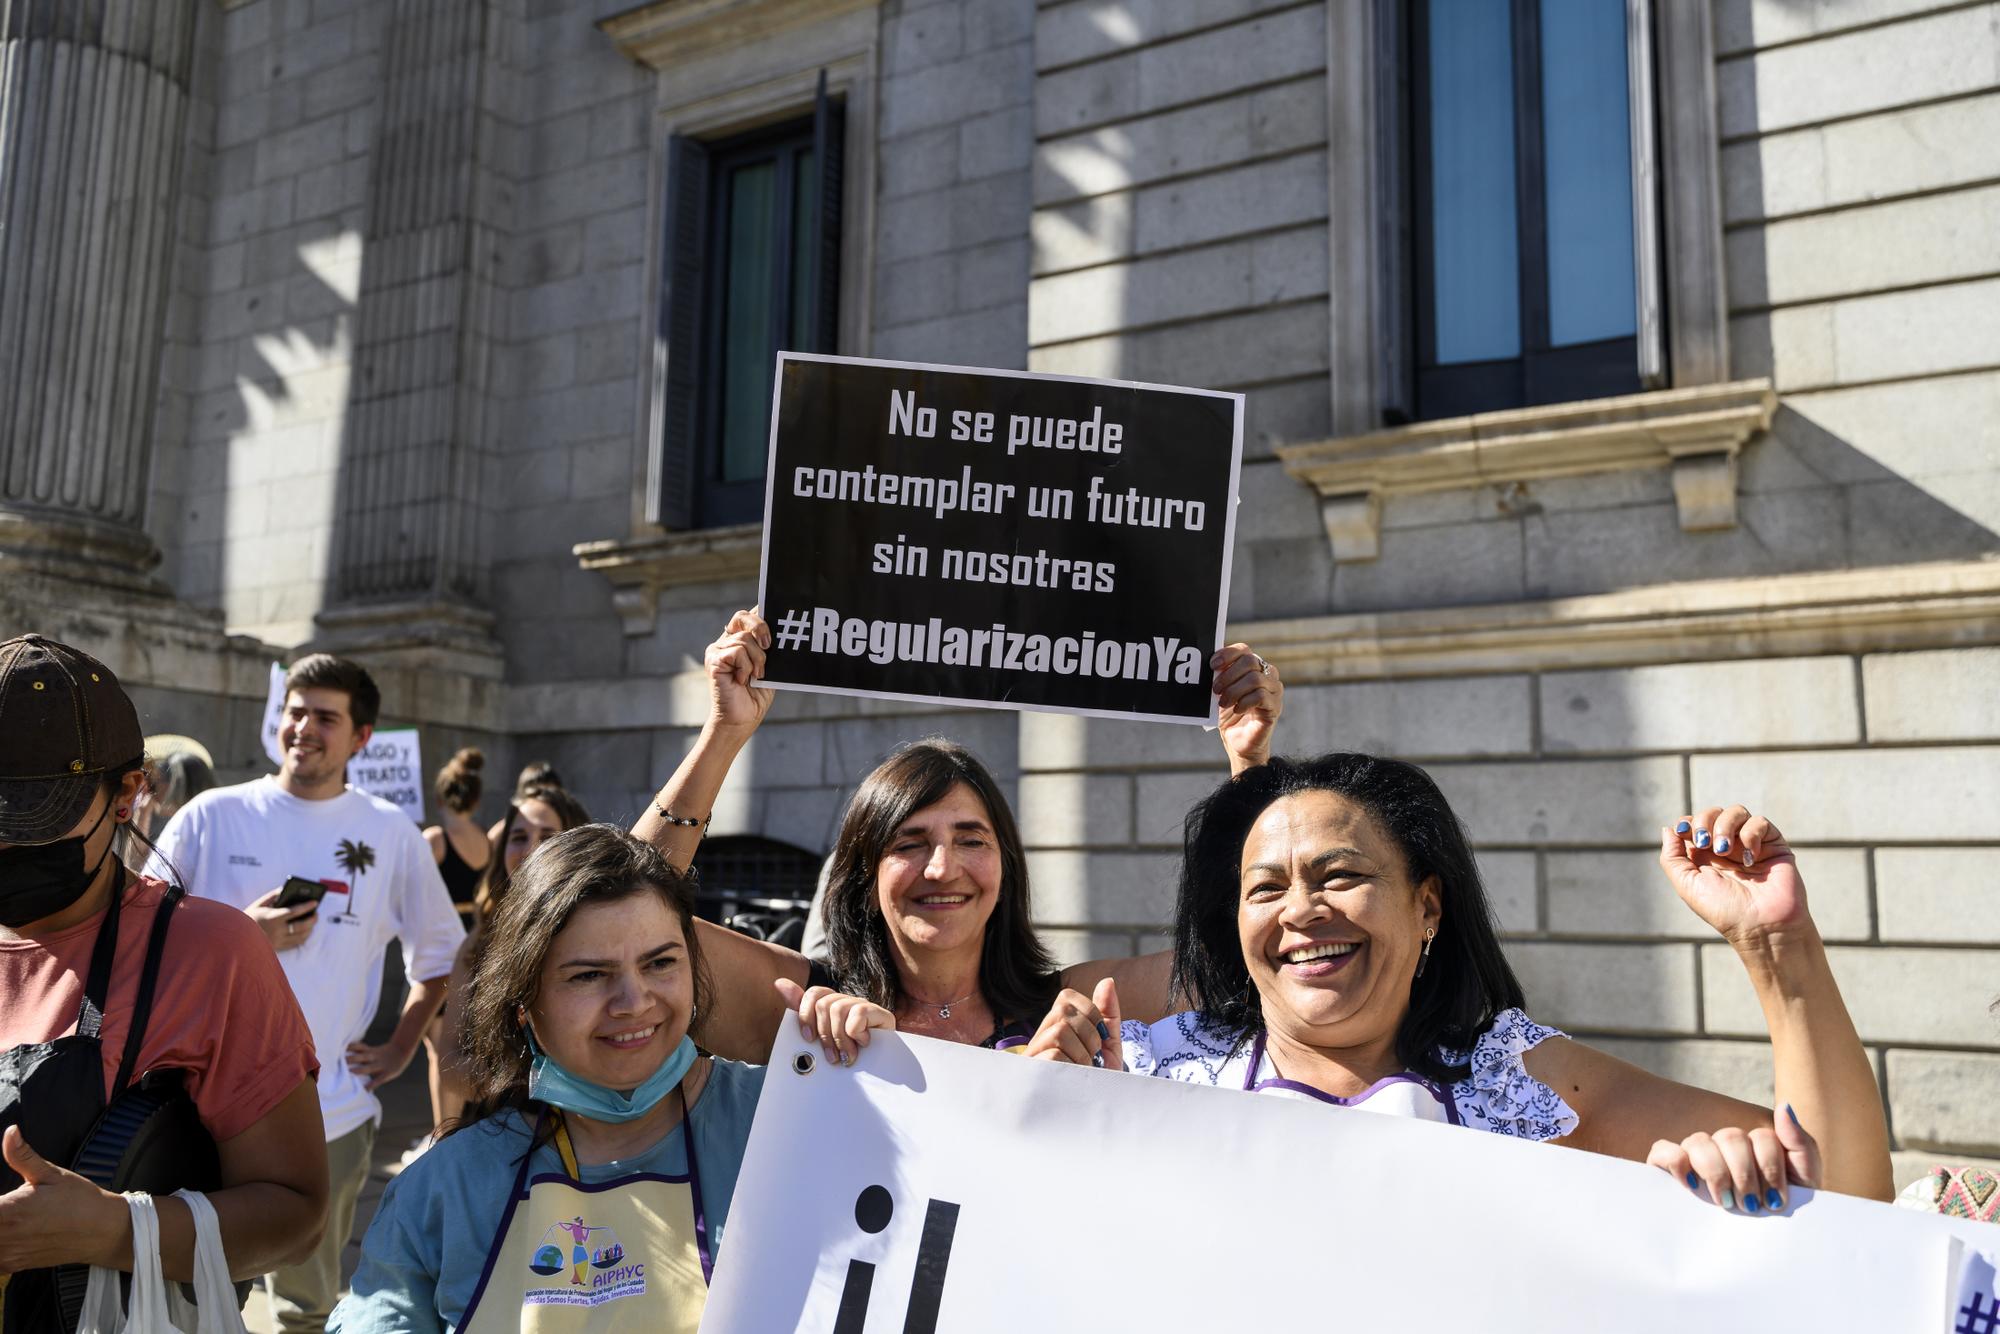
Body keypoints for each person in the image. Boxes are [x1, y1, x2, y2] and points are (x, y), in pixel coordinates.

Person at [1026, 753, 1896, 1212]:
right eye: (1265, 889)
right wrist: (1041, 1121)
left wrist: (1776, 946)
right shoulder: (1139, 1070)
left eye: (1339, 875)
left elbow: (1853, 1196)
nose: (1301, 912)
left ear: (1428, 907)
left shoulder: (1517, 1078)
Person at [632, 609, 1283, 1066]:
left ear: (1005, 866)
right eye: (909, 843)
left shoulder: (1076, 1009)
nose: (942, 868)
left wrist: (1248, 762)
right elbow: (617, 910)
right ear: (863, 873)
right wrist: (724, 732)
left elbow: (1249, 964)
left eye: (971, 840)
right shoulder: (801, 1008)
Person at [327, 824, 889, 1332]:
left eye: (660, 963)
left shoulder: (786, 1122)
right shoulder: (443, 1190)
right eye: (589, 975)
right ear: (522, 1004)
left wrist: (889, 1078)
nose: (633, 1002)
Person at [0, 635, 327, 1329]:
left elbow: (296, 1216)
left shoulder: (209, 953)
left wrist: (116, 1230)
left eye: (30, 821)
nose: (4, 845)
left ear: (127, 792)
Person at [149, 654, 466, 1333]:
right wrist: (244, 934)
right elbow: (140, 932)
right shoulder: (212, 815)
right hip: (190, 1105)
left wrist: (401, 1046)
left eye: (326, 717)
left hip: (331, 1114)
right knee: (182, 1293)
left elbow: (443, 953)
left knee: (306, 1307)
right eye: (295, 712)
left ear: (361, 738)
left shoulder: (389, 831)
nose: (304, 729)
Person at [428, 783, 593, 1132]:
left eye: (547, 836)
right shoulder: (478, 944)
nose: (531, 847)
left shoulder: (602, 933)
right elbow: (450, 1061)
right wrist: (512, 1081)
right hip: (501, 1132)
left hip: (593, 1133)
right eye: (518, 837)